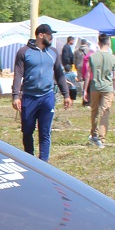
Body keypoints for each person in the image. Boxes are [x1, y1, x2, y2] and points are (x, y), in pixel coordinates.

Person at [12, 23, 71, 162]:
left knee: (45, 132)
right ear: (41, 35)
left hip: (47, 97)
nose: (51, 38)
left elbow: (60, 74)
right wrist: (15, 96)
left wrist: (66, 94)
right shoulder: (23, 52)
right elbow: (18, 74)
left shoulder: (53, 53)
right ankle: (29, 158)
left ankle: (44, 162)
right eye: (49, 35)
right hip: (29, 97)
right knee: (27, 130)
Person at [87, 33, 115, 148]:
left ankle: (93, 133)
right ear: (108, 42)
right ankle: (102, 137)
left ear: (98, 43)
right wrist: (114, 88)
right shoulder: (113, 57)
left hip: (95, 86)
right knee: (105, 112)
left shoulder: (92, 56)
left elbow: (88, 75)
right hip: (107, 87)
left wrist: (85, 90)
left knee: (94, 111)